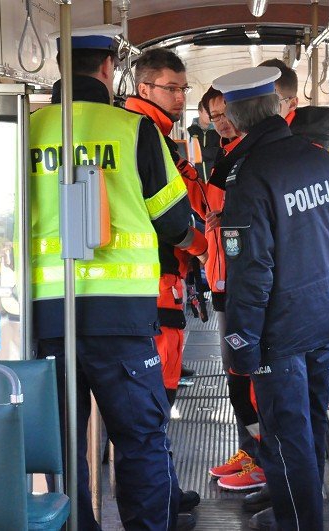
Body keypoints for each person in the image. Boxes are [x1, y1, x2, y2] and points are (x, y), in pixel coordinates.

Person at [29, 25, 202, 531]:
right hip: (122, 317)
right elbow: (174, 222)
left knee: (62, 447)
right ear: (108, 70)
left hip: (44, 317)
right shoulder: (134, 131)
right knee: (141, 439)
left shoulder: (28, 128)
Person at [210, 66, 329, 531]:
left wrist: (241, 341)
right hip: (325, 313)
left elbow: (252, 270)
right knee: (309, 427)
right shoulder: (318, 158)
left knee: (287, 440)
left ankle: (299, 523)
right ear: (275, 107)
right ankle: (313, 515)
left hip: (281, 329)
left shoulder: (250, 176)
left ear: (236, 115)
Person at [124, 48, 208, 410]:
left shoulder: (156, 137)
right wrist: (203, 248)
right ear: (144, 90)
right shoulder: (146, 137)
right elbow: (173, 220)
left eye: (184, 89)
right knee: (158, 391)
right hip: (155, 278)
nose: (179, 97)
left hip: (147, 279)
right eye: (171, 88)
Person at [197, 87, 266, 493]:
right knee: (235, 374)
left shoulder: (252, 158)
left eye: (226, 112)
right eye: (214, 114)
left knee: (250, 375)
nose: (222, 120)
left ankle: (260, 459)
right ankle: (249, 450)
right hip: (221, 277)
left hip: (244, 279)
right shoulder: (221, 156)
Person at [187, 100, 222, 181]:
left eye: (212, 112)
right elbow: (188, 155)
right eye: (207, 112)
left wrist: (200, 153)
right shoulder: (189, 132)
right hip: (195, 180)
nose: (210, 115)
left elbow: (221, 153)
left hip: (215, 180)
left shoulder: (220, 132)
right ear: (199, 112)